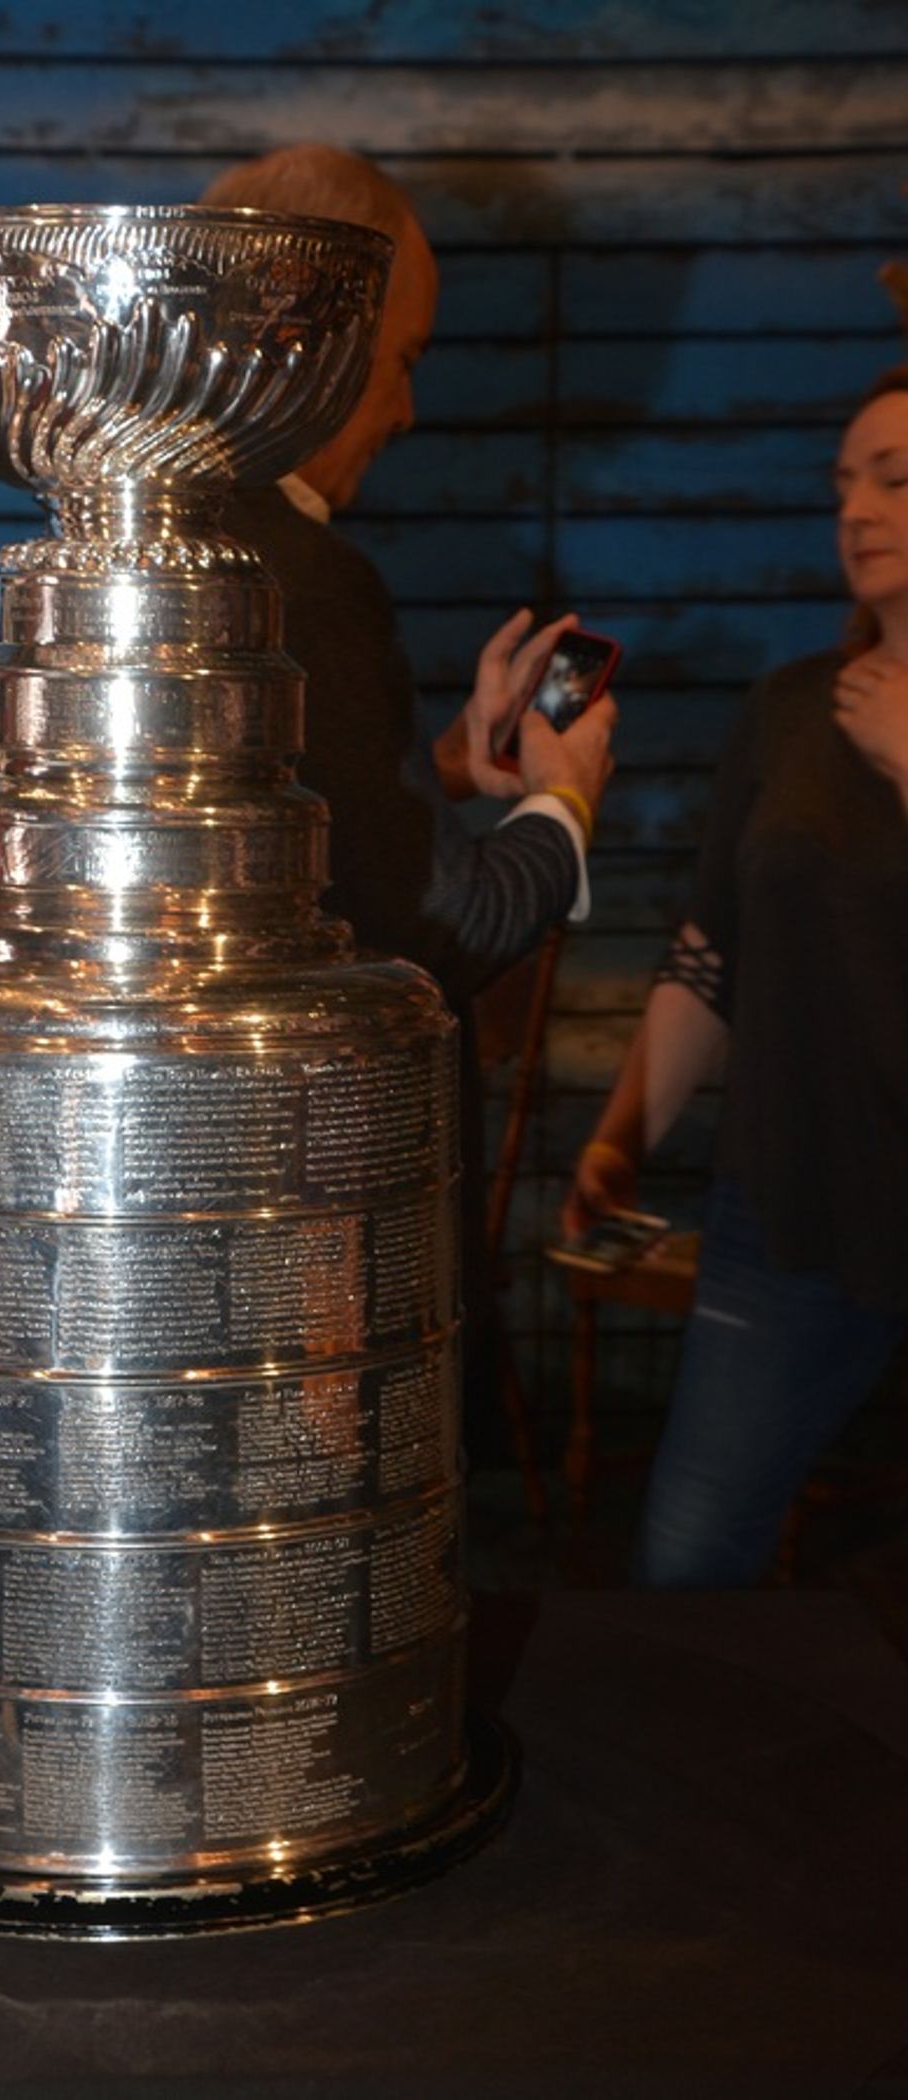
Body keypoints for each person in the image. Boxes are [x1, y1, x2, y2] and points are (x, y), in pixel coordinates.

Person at [198, 144, 617, 1429]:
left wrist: (434, 772)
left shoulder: (159, 541)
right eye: (406, 357)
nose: (407, 411)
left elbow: (260, 825)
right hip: (330, 1247)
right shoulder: (309, 579)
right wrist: (563, 798)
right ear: (308, 339)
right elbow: (431, 939)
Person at [564, 363, 908, 1587]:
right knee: (688, 1554)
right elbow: (711, 954)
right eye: (841, 486)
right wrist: (620, 1139)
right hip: (791, 1190)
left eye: (894, 480)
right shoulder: (786, 709)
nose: (854, 512)